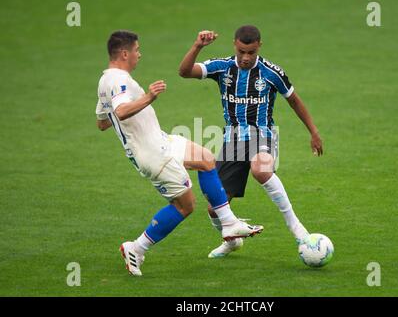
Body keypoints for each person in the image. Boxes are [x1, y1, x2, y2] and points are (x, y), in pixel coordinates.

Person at [95, 30, 263, 276]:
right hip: (153, 153)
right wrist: (149, 97)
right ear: (124, 53)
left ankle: (229, 224)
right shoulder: (117, 80)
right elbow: (120, 112)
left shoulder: (105, 81)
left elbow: (103, 121)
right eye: (136, 50)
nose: (139, 55)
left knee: (206, 159)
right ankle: (137, 248)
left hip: (161, 141)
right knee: (185, 206)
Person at [179, 25, 323, 258]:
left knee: (261, 169)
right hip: (232, 140)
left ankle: (297, 228)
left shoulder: (271, 72)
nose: (246, 58)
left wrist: (314, 132)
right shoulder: (222, 67)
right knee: (214, 208)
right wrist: (197, 46)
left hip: (262, 134)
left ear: (259, 47)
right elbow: (184, 72)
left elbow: (294, 101)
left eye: (251, 53)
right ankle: (231, 241)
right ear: (235, 45)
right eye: (242, 52)